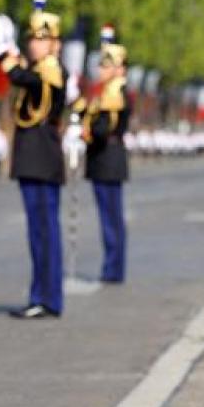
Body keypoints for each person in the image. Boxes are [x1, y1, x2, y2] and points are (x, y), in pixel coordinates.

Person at [0, 0, 67, 320]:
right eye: (32, 38)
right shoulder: (41, 69)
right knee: (40, 232)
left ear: (54, 44)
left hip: (41, 160)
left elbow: (21, 77)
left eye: (40, 39)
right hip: (35, 159)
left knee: (43, 232)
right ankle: (45, 296)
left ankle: (45, 298)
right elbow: (23, 76)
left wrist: (3, 49)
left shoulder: (49, 70)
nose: (34, 44)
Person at [81, 34, 130, 283]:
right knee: (110, 217)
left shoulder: (114, 92)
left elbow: (102, 129)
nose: (101, 69)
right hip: (106, 159)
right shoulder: (110, 92)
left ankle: (113, 268)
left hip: (107, 158)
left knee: (111, 218)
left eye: (106, 65)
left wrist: (85, 132)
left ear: (118, 68)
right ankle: (113, 266)